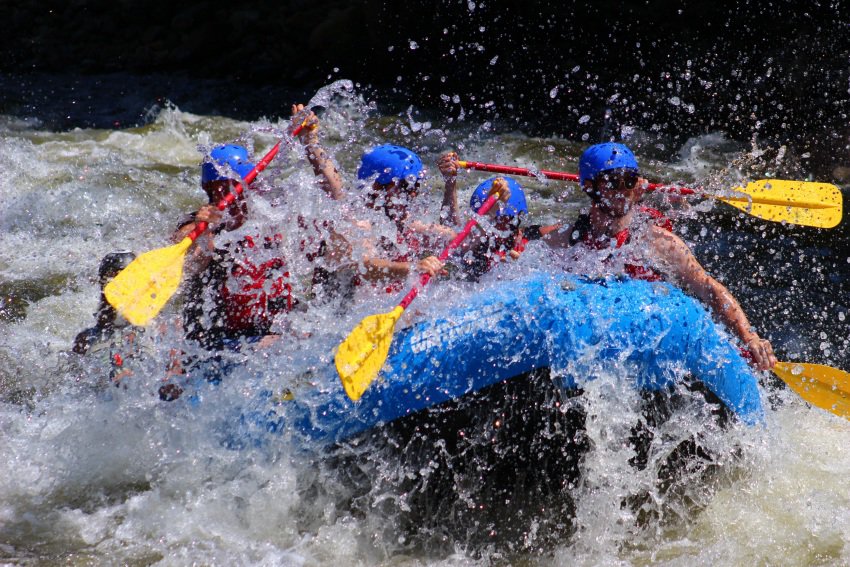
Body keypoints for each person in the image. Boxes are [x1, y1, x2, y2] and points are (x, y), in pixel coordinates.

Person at [542, 142, 776, 370]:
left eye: (630, 181)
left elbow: (708, 288)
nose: (623, 190)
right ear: (590, 187)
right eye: (614, 182)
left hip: (650, 350)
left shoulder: (656, 242)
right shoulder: (565, 240)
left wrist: (749, 337)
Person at [349, 144, 456, 293]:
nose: (413, 194)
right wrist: (414, 267)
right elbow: (365, 267)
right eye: (405, 186)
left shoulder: (404, 221)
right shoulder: (358, 222)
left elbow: (454, 239)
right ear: (377, 187)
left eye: (415, 186)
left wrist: (450, 185)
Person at [73, 251, 181, 391]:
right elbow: (77, 386)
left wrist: (168, 383)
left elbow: (178, 373)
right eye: (114, 283)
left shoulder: (164, 327)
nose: (121, 290)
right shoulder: (86, 338)